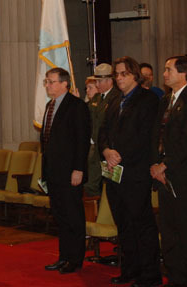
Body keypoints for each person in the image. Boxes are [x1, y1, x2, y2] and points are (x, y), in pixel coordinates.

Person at [98, 56, 162, 287]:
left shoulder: (147, 100)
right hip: (115, 173)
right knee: (123, 226)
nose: (119, 78)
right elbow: (103, 130)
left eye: (123, 74)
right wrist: (106, 150)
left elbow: (144, 137)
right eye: (117, 74)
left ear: (135, 75)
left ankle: (149, 275)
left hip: (134, 173)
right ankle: (130, 269)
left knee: (141, 226)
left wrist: (118, 154)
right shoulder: (115, 100)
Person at [150, 56, 187, 287]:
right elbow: (155, 137)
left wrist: (166, 164)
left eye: (168, 69)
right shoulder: (165, 100)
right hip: (163, 177)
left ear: (184, 73)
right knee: (170, 233)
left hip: (183, 178)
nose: (164, 74)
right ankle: (176, 278)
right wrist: (155, 165)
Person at [39, 68, 90, 275]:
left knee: (73, 216)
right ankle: (64, 256)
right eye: (47, 82)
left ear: (64, 84)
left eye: (51, 82)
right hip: (53, 172)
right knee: (60, 216)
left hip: (70, 172)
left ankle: (75, 259)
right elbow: (47, 141)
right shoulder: (50, 106)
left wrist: (78, 168)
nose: (48, 85)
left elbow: (82, 141)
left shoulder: (76, 106)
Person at [84, 63, 120, 198]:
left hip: (108, 149)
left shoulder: (117, 97)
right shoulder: (97, 98)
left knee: (109, 186)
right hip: (95, 147)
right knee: (91, 184)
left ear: (110, 80)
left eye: (99, 80)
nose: (97, 83)